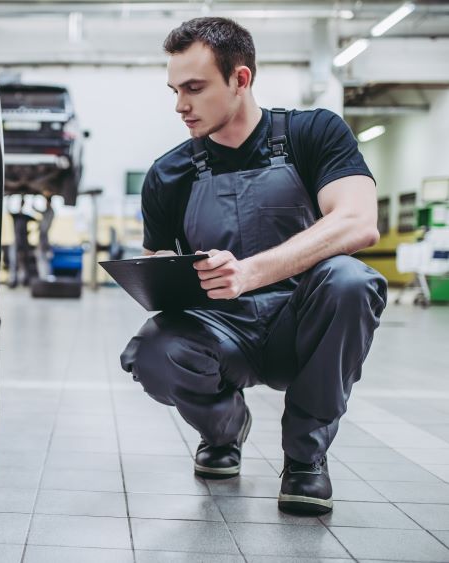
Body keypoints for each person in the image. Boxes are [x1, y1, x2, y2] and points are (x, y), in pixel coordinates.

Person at [119, 17, 387, 516]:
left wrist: (249, 272)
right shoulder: (168, 173)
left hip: (303, 322)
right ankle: (224, 431)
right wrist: (158, 271)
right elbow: (158, 255)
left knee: (352, 280)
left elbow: (357, 221)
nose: (181, 105)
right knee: (153, 351)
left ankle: (306, 461)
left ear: (241, 79)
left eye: (195, 88)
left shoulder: (314, 133)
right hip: (222, 330)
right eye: (175, 90)